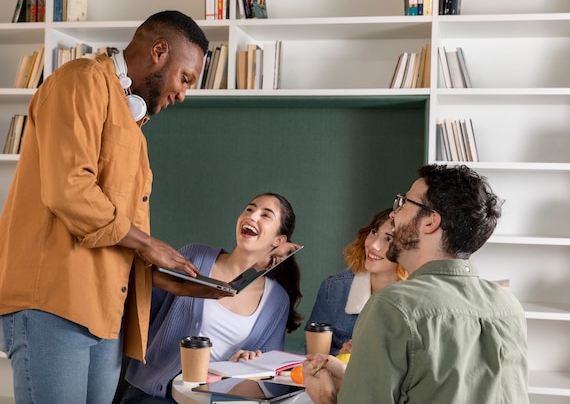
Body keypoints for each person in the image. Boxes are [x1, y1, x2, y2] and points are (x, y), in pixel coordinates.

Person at [0, 11, 233, 404]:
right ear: (158, 51)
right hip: (51, 306)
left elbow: (112, 234)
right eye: (185, 78)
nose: (182, 94)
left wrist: (162, 279)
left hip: (105, 313)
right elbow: (70, 189)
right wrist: (147, 243)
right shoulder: (80, 82)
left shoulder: (132, 125)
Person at [302, 164, 529, 404]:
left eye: (403, 203)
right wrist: (353, 380)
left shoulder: (392, 305)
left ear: (430, 222)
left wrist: (325, 398)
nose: (393, 214)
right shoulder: (509, 307)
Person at [118, 192, 303, 403]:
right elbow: (145, 303)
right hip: (157, 393)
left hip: (214, 398)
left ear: (279, 241)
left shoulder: (276, 300)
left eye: (265, 215)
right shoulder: (196, 257)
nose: (252, 216)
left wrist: (246, 366)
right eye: (250, 209)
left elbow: (271, 378)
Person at [304, 207, 407, 356]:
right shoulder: (334, 288)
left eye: (388, 239)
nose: (373, 245)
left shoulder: (419, 299)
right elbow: (312, 353)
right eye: (374, 232)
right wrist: (340, 355)